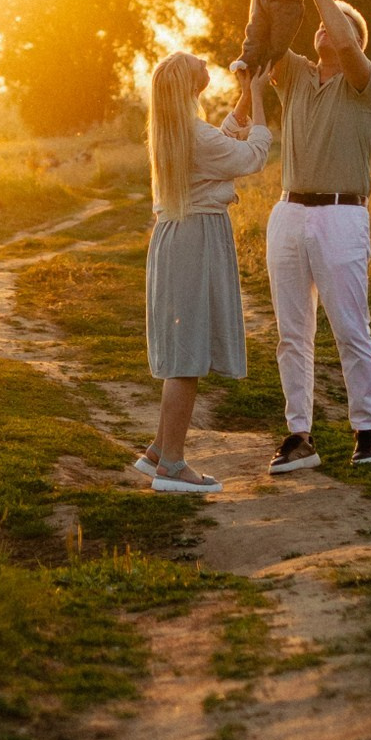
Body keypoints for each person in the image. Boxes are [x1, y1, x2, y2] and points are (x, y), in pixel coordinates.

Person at [264, 0, 371, 472]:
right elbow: (267, 29)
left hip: (342, 214)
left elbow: (344, 38)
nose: (323, 26)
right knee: (291, 333)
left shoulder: (363, 82)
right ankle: (299, 436)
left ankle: (369, 432)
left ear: (353, 40)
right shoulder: (295, 74)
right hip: (289, 212)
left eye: (337, 23)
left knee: (350, 328)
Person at [134, 51, 270, 499]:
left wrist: (245, 97)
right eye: (198, 64)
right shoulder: (194, 135)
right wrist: (261, 99)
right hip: (194, 239)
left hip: (178, 236)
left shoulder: (177, 131)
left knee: (183, 346)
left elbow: (221, 141)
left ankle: (159, 449)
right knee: (188, 355)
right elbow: (251, 156)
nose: (205, 64)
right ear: (188, 84)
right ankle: (172, 465)